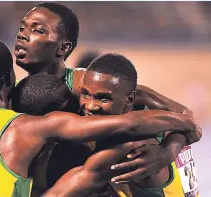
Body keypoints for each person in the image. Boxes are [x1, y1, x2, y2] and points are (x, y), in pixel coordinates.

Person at [0, 37, 200, 197]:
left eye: (100, 98)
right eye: (84, 96)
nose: (88, 107)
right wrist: (183, 125)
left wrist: (177, 137)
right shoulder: (24, 130)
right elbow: (127, 125)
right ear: (10, 77)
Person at [14, 2, 194, 182]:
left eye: (37, 30)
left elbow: (186, 119)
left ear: (64, 48)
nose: (22, 35)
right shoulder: (15, 93)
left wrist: (167, 152)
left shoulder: (86, 84)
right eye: (22, 27)